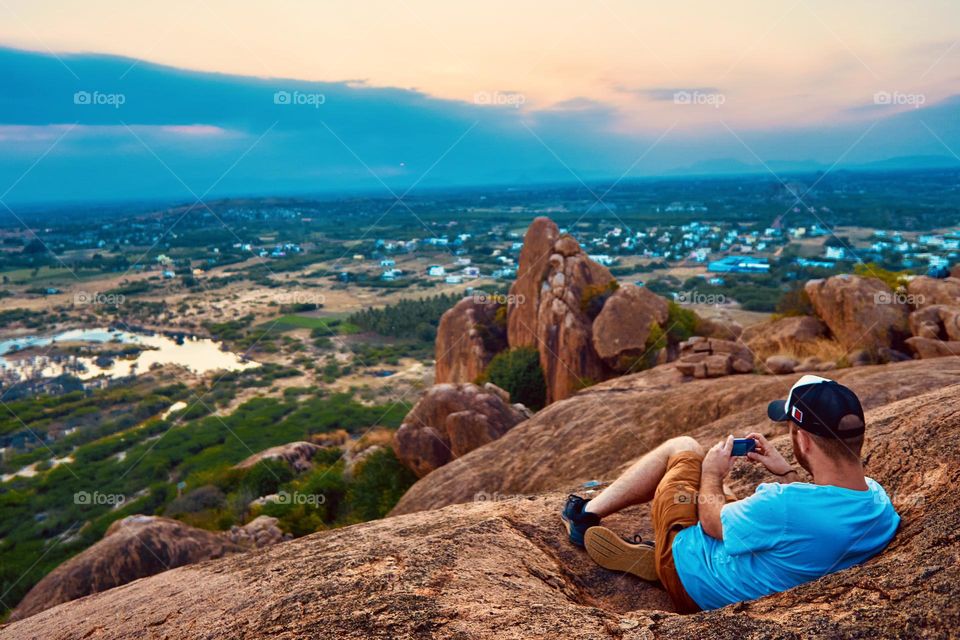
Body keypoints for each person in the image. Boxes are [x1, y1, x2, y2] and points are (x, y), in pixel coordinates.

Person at [560, 375, 900, 612]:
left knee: (686, 449)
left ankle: (583, 514)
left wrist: (710, 471)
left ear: (805, 441)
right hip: (764, 569)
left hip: (695, 580)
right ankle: (650, 556)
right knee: (725, 495)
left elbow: (712, 523)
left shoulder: (780, 505)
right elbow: (817, 511)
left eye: (791, 429)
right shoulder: (878, 504)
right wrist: (785, 472)